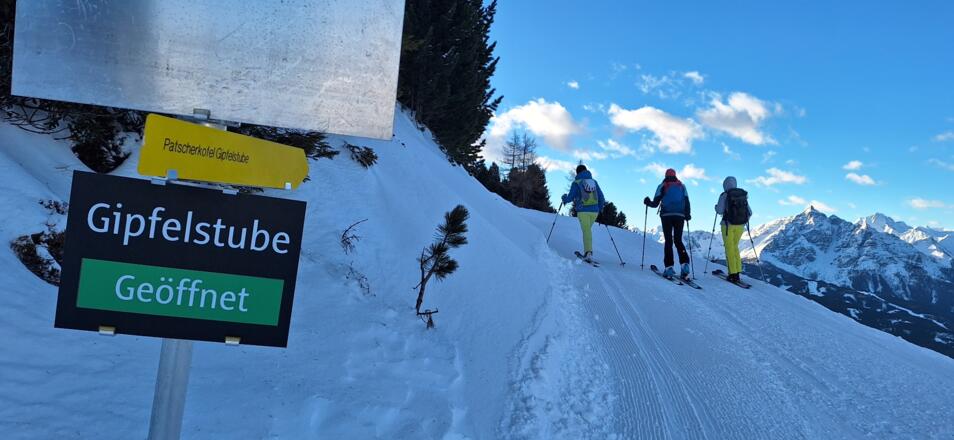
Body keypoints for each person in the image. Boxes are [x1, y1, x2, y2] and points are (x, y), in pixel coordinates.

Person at [643, 168, 691, 279]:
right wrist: (687, 215)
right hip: (680, 216)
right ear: (675, 175)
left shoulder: (662, 186)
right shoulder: (682, 186)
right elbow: (687, 201)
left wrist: (647, 202)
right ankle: (685, 265)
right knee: (678, 240)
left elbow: (655, 203)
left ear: (665, 175)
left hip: (666, 216)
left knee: (669, 241)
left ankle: (669, 268)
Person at [562, 164, 605, 262]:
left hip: (583, 211)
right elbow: (602, 197)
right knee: (587, 231)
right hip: (594, 212)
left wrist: (564, 198)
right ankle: (588, 252)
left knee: (586, 231)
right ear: (586, 171)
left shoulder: (576, 182)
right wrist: (599, 208)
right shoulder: (594, 182)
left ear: (577, 173)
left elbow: (570, 197)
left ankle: (588, 253)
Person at [715, 176, 752, 283]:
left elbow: (720, 210)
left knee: (729, 249)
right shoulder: (742, 196)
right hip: (740, 226)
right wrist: (742, 221)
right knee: (735, 247)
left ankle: (733, 274)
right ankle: (737, 271)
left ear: (724, 185)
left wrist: (715, 207)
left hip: (727, 225)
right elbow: (750, 212)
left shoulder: (724, 195)